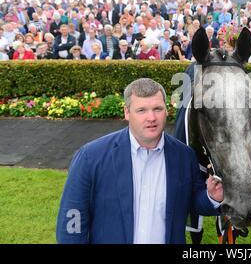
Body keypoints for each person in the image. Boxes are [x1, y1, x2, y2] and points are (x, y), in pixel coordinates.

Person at [56, 78, 223, 244]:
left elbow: (194, 202)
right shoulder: (90, 157)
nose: (151, 117)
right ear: (127, 112)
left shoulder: (184, 156)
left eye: (157, 109)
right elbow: (73, 217)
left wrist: (211, 197)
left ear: (166, 110)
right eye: (141, 110)